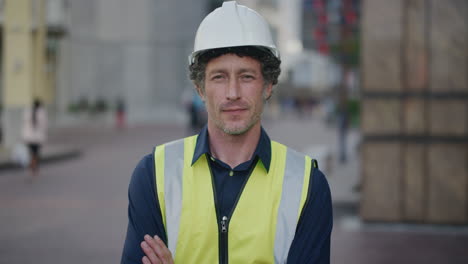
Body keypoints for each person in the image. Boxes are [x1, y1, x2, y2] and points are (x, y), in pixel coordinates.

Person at [121, 2, 332, 263]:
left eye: (246, 77)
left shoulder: (307, 185)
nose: (233, 93)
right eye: (219, 77)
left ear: (267, 86)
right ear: (200, 88)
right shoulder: (154, 174)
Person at [21, 98, 48, 176]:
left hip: (28, 137)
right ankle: (34, 166)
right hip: (37, 137)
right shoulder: (42, 112)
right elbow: (44, 125)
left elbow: (24, 123)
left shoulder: (27, 111)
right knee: (36, 153)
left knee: (31, 152)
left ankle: (32, 165)